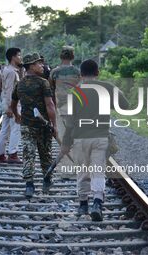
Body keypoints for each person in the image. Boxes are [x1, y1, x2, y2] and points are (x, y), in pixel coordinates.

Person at [60, 59, 129, 220]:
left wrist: (65, 143)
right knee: (98, 170)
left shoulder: (75, 92)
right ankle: (97, 202)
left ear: (81, 75)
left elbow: (70, 124)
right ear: (98, 72)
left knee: (83, 170)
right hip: (101, 137)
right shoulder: (108, 87)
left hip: (80, 138)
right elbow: (125, 105)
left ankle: (83, 204)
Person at [11, 53, 57, 198]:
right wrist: (54, 125)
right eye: (39, 63)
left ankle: (29, 185)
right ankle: (47, 180)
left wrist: (17, 116)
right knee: (46, 155)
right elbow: (50, 105)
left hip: (26, 125)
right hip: (43, 126)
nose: (42, 65)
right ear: (31, 66)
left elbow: (13, 104)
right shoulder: (43, 83)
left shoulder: (20, 84)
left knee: (28, 154)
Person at [48, 46, 81, 179]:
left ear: (61, 57)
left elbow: (50, 89)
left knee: (63, 138)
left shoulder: (54, 72)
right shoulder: (77, 72)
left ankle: (68, 169)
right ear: (72, 57)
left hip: (60, 108)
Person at [0, 48, 23, 163]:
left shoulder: (8, 70)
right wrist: (10, 107)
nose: (20, 58)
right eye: (19, 55)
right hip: (12, 105)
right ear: (13, 57)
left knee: (5, 129)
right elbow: (10, 91)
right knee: (15, 129)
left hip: (7, 103)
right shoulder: (12, 72)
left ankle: (0, 155)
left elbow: (4, 89)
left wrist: (6, 105)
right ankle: (13, 154)